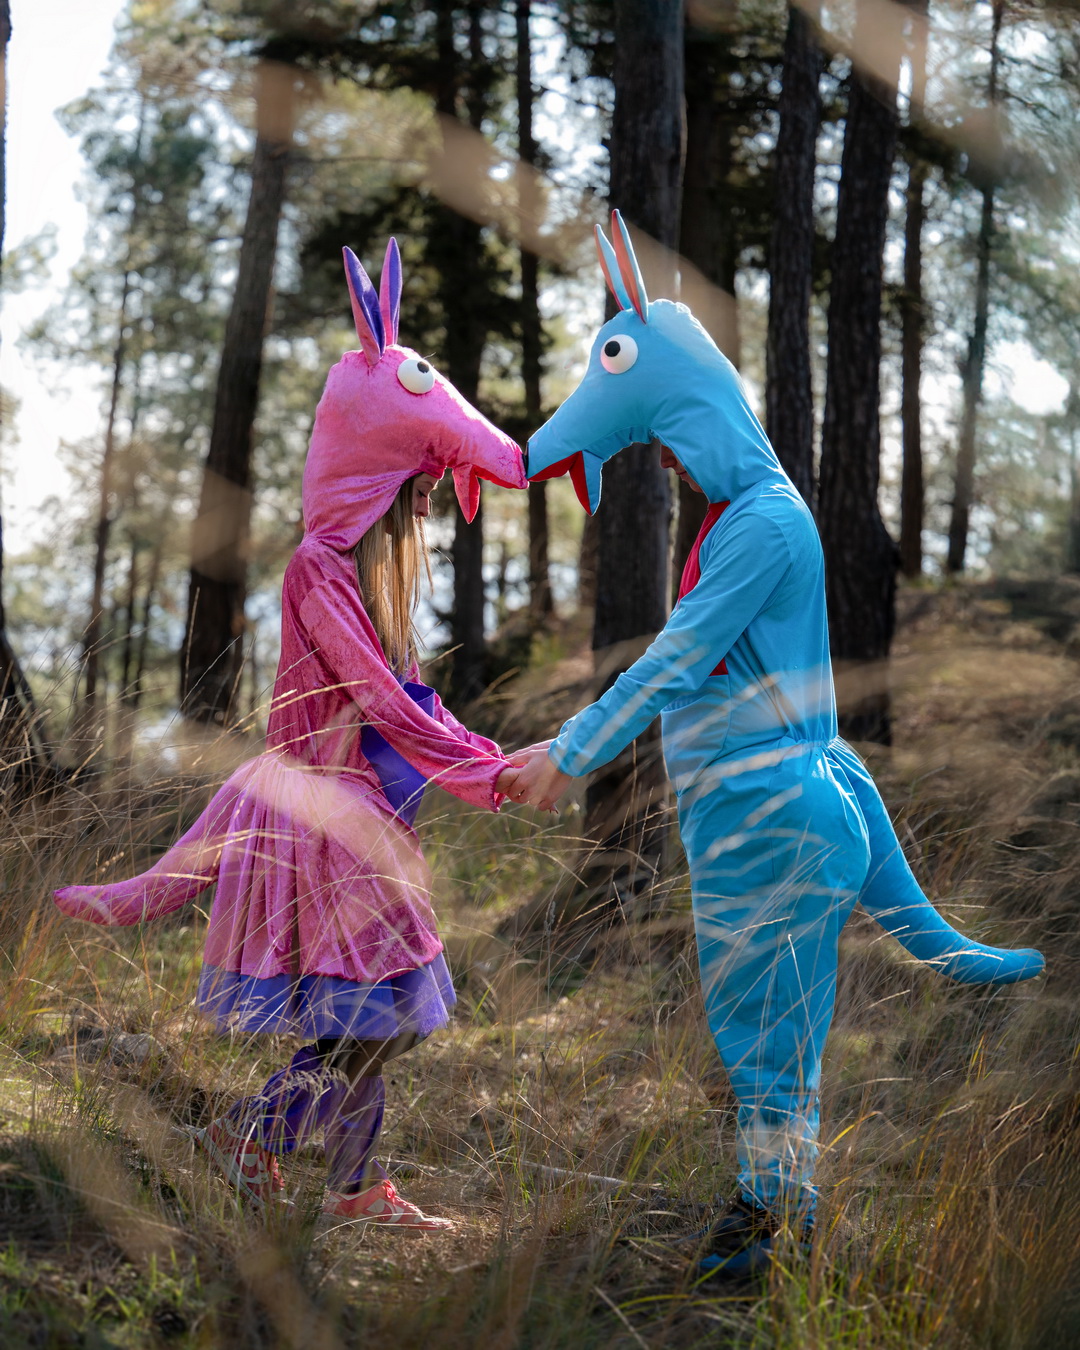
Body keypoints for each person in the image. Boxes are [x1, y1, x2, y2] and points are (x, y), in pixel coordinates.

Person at [510, 210, 1044, 1276]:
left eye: (665, 439)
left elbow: (676, 660)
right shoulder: (740, 516)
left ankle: (769, 1232)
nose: (667, 463)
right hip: (762, 812)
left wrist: (569, 750)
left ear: (695, 414)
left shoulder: (764, 521)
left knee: (768, 1042)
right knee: (762, 1034)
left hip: (774, 817)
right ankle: (769, 1214)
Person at [55, 240, 527, 1230]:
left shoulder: (371, 580)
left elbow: (407, 697)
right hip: (324, 828)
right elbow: (379, 700)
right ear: (372, 472)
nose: (426, 506)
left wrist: (480, 752)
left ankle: (350, 1187)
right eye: (417, 485)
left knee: (385, 1021)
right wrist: (479, 773)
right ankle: (254, 1139)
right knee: (366, 1024)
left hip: (364, 826)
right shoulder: (319, 566)